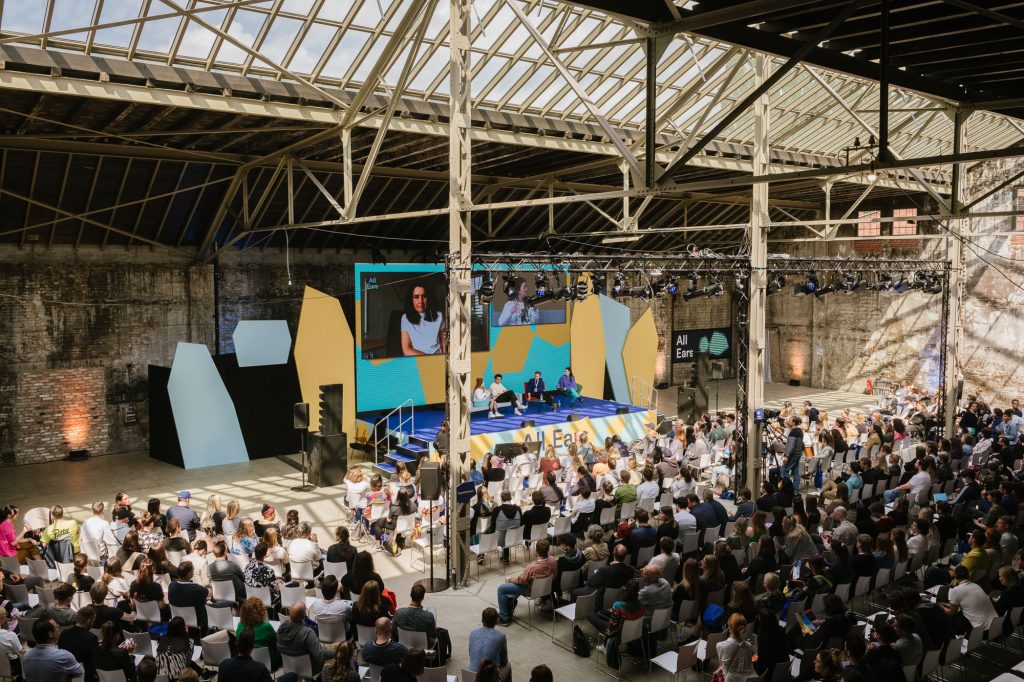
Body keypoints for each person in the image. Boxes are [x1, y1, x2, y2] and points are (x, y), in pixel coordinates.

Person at [496, 538, 557, 625]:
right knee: (515, 588)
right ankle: (510, 606)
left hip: (532, 591)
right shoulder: (553, 561)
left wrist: (510, 579)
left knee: (501, 589)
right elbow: (555, 574)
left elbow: (521, 580)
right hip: (547, 588)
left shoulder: (531, 567)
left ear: (536, 552)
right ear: (548, 550)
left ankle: (503, 617)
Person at [277, 602, 336, 677]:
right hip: (310, 669)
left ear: (289, 614)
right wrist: (336, 651)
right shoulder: (307, 633)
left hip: (288, 668)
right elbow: (321, 655)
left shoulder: (281, 628)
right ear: (304, 615)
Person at [393, 584, 449, 662]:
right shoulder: (428, 616)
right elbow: (433, 635)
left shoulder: (398, 613)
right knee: (432, 607)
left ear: (410, 595)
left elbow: (394, 631)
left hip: (404, 643)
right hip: (424, 645)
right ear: (422, 597)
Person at [400, 280, 445, 356]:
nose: (420, 301)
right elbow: (406, 349)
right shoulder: (405, 318)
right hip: (419, 360)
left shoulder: (439, 315)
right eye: (416, 297)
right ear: (411, 299)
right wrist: (429, 359)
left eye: (424, 296)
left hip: (438, 359)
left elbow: (444, 343)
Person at [169, 560, 213, 633]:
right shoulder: (196, 589)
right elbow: (209, 593)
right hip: (197, 621)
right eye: (193, 570)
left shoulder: (171, 585)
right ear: (189, 574)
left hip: (177, 619)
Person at [236, 596, 279, 668]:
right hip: (268, 663)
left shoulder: (240, 626)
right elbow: (275, 644)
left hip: (246, 663)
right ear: (261, 612)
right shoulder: (266, 627)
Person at [57, 605, 97, 680]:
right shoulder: (91, 638)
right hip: (84, 675)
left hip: (65, 673)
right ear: (89, 621)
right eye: (93, 620)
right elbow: (94, 661)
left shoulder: (64, 633)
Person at [468, 607, 509, 674]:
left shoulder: (473, 633)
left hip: (471, 675)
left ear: (482, 620)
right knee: (508, 666)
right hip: (488, 678)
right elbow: (504, 662)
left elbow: (471, 655)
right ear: (497, 621)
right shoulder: (501, 636)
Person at [716, 613, 755, 681]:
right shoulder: (749, 646)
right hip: (748, 679)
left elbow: (722, 664)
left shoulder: (720, 646)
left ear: (729, 626)